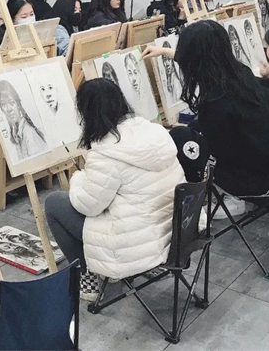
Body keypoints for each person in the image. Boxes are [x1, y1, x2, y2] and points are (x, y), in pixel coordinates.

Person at [44, 78, 185, 301]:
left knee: (54, 203)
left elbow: (88, 206)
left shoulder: (106, 153)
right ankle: (143, 267)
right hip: (174, 233)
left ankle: (88, 277)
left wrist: (78, 179)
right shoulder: (154, 130)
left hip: (135, 245)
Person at [143, 20, 269, 199]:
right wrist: (165, 51)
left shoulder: (215, 102)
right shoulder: (240, 73)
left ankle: (213, 199)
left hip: (248, 181)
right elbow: (201, 58)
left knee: (180, 136)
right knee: (194, 127)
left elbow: (222, 153)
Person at [0, 80, 47, 159]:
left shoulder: (28, 133)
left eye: (11, 102)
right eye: (3, 104)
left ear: (18, 104)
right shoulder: (16, 132)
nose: (9, 109)